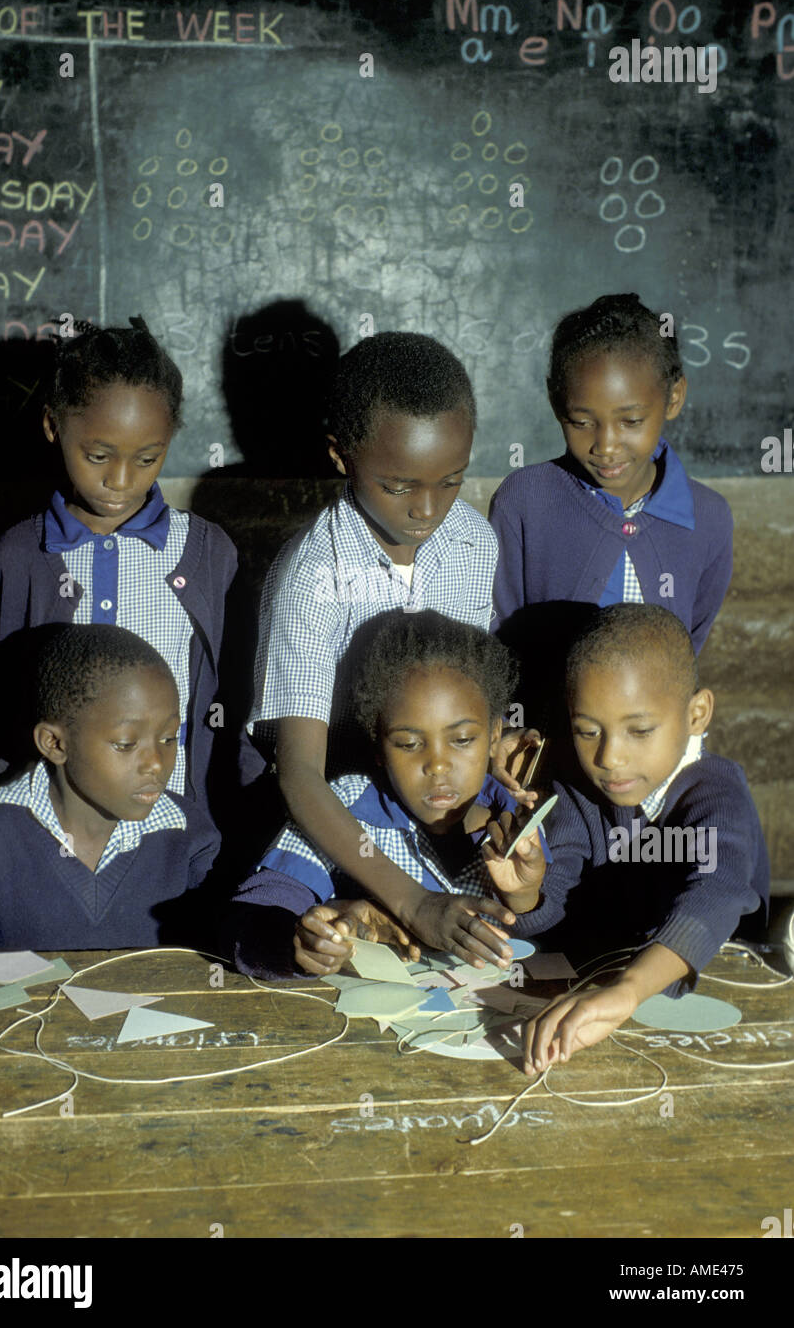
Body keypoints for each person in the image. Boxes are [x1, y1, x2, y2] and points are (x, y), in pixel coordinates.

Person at [248, 333, 536, 960]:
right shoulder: (312, 575)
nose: (427, 508)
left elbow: (460, 694)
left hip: (435, 817)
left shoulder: (471, 542)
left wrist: (492, 747)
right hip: (334, 833)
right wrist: (412, 904)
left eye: (451, 480)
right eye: (399, 485)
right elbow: (299, 774)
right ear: (340, 455)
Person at [0, 319, 242, 811]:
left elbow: (238, 697)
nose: (120, 480)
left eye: (147, 458)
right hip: (47, 831)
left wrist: (223, 814)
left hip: (175, 830)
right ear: (53, 426)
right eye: (98, 455)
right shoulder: (20, 556)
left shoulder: (206, 553)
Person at [516, 604, 769, 1074]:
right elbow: (550, 907)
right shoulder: (577, 794)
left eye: (640, 730)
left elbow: (716, 892)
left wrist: (628, 988)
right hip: (602, 991)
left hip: (717, 995)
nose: (610, 757)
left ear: (696, 713)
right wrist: (524, 891)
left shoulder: (716, 794)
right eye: (587, 731)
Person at [228, 610, 549, 978]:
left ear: (495, 735)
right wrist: (299, 944)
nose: (438, 765)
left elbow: (538, 946)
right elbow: (248, 924)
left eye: (461, 740)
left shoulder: (516, 818)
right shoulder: (347, 809)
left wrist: (522, 898)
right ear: (379, 746)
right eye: (409, 744)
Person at [0, 625, 220, 949]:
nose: (156, 763)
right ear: (55, 743)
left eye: (169, 738)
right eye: (126, 743)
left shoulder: (189, 835)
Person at [490, 293, 733, 658]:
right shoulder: (525, 500)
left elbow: (688, 649)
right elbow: (499, 633)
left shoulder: (708, 518)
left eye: (631, 421)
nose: (605, 446)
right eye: (582, 422)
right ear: (556, 403)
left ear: (674, 397)